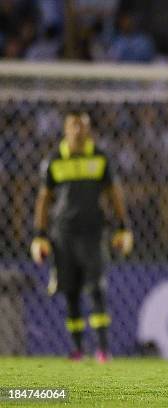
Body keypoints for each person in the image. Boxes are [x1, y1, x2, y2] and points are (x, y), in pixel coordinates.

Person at [30, 112, 133, 363]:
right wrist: (39, 235)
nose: (79, 130)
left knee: (97, 289)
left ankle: (102, 350)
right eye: (74, 125)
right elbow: (44, 199)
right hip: (62, 235)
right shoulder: (53, 161)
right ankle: (77, 350)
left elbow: (114, 193)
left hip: (94, 233)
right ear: (66, 129)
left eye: (83, 126)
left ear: (89, 129)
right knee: (71, 292)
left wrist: (123, 226)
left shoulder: (100, 158)